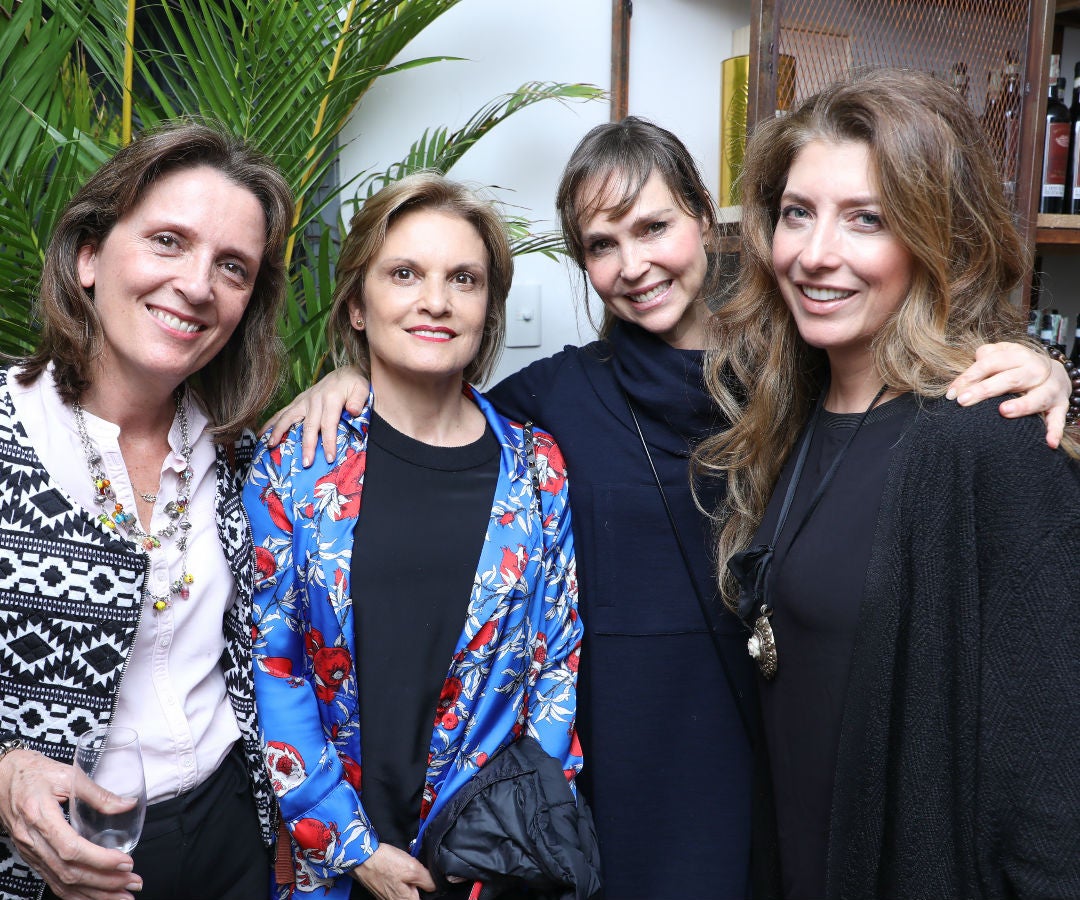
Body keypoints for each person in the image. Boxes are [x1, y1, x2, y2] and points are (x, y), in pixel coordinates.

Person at [264, 117, 1074, 899]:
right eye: (601, 245)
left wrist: (1041, 369)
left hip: (776, 752)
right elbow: (439, 417)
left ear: (704, 218)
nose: (634, 265)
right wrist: (349, 380)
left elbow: (908, 397)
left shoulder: (792, 373)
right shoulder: (552, 398)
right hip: (616, 765)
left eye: (654, 227)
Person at [699, 68, 1080, 899]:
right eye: (797, 213)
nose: (815, 254)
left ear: (935, 237)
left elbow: (1051, 787)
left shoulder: (989, 439)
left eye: (866, 219)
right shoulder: (789, 410)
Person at [245, 172, 590, 900]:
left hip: (485, 861)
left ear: (487, 308)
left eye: (464, 279)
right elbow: (272, 666)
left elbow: (556, 664)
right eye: (404, 273)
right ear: (358, 305)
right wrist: (349, 843)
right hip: (332, 865)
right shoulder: (295, 465)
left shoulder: (538, 470)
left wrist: (505, 835)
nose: (436, 300)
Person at [0, 121, 293, 900]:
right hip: (61, 864)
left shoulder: (239, 456)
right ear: (89, 255)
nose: (198, 285)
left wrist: (352, 382)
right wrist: (5, 773)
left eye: (232, 267)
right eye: (168, 241)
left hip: (232, 836)